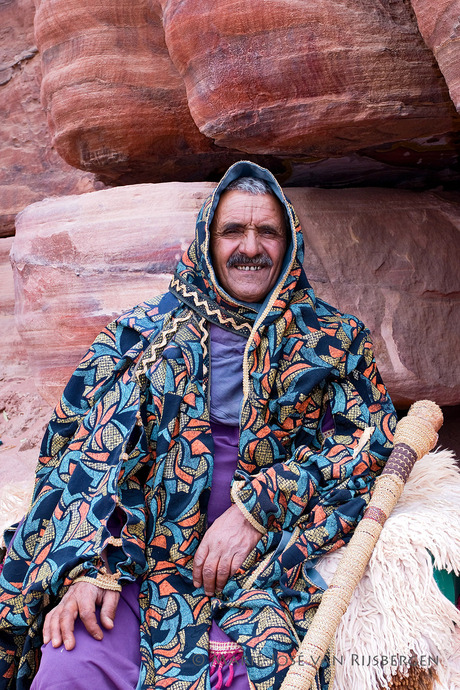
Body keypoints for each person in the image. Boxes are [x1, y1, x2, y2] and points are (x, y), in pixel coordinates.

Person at [0, 161, 396, 690]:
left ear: (290, 243)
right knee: (71, 665)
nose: (250, 248)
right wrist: (93, 566)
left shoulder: (335, 339)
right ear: (207, 240)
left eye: (266, 232)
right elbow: (84, 460)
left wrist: (258, 508)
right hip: (145, 566)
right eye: (233, 230)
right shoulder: (141, 337)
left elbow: (371, 444)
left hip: (270, 566)